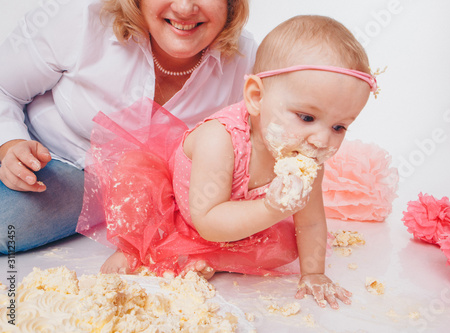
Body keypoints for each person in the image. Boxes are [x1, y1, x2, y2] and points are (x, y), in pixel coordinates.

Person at [79, 14, 377, 309]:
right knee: (136, 180)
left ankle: (206, 258)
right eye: (307, 117)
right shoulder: (219, 140)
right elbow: (206, 220)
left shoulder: (308, 158)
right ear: (256, 97)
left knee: (286, 244)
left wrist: (314, 273)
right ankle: (134, 249)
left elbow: (310, 221)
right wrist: (270, 208)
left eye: (339, 127)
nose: (321, 141)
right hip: (186, 210)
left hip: (232, 220)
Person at [0, 0, 256, 254]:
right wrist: (10, 145)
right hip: (51, 156)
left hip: (127, 194)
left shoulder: (247, 63)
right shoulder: (83, 18)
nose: (184, 9)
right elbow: (4, 87)